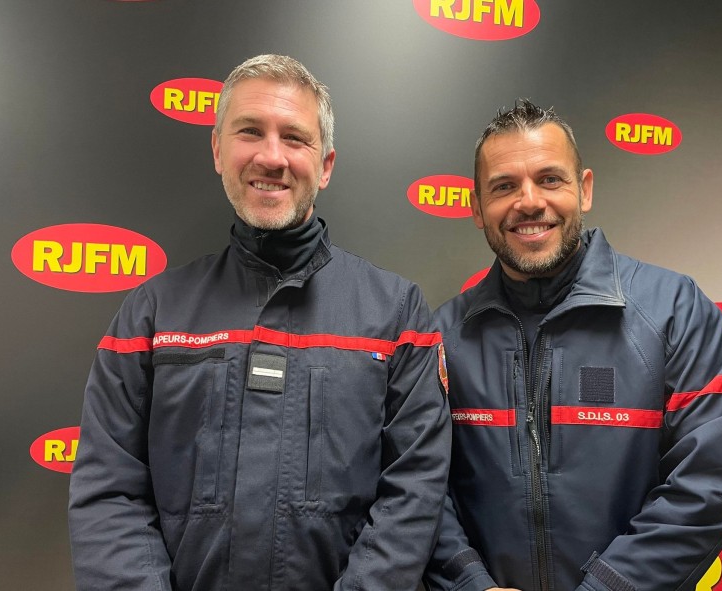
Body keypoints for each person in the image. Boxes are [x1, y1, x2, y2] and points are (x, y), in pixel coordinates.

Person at [69, 54, 451, 591]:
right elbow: (109, 491)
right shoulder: (150, 314)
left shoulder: (396, 314)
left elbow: (414, 491)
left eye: (294, 138)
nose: (271, 157)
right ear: (217, 150)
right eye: (250, 132)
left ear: (326, 165)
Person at [423, 99, 722, 591]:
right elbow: (418, 485)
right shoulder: (441, 336)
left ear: (584, 190)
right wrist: (470, 583)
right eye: (504, 186)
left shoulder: (675, 310)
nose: (529, 202)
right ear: (476, 208)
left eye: (550, 179)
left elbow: (710, 483)